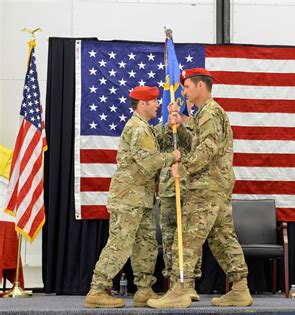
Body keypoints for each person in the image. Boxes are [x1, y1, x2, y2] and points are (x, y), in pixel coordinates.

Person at [147, 68, 252, 308]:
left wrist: (182, 169)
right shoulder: (203, 113)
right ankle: (240, 288)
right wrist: (180, 127)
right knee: (222, 238)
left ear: (200, 86)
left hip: (206, 186)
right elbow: (196, 143)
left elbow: (207, 149)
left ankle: (180, 290)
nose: (183, 91)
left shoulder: (211, 113)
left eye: (187, 86)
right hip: (215, 185)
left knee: (186, 237)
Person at [85, 86, 180, 308]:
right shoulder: (138, 129)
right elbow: (149, 162)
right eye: (154, 101)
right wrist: (171, 157)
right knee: (120, 244)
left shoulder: (144, 127)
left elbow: (154, 139)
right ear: (143, 104)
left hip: (142, 199)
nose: (158, 104)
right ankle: (97, 290)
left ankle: (144, 290)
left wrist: (170, 123)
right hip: (129, 199)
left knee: (145, 245)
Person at [154, 101, 202, 301]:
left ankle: (189, 284)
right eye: (174, 109)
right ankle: (173, 283)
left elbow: (194, 146)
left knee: (192, 240)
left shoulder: (198, 127)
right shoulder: (162, 128)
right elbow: (157, 147)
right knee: (169, 238)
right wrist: (169, 125)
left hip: (191, 190)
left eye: (182, 108)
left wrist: (181, 127)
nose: (179, 112)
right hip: (168, 190)